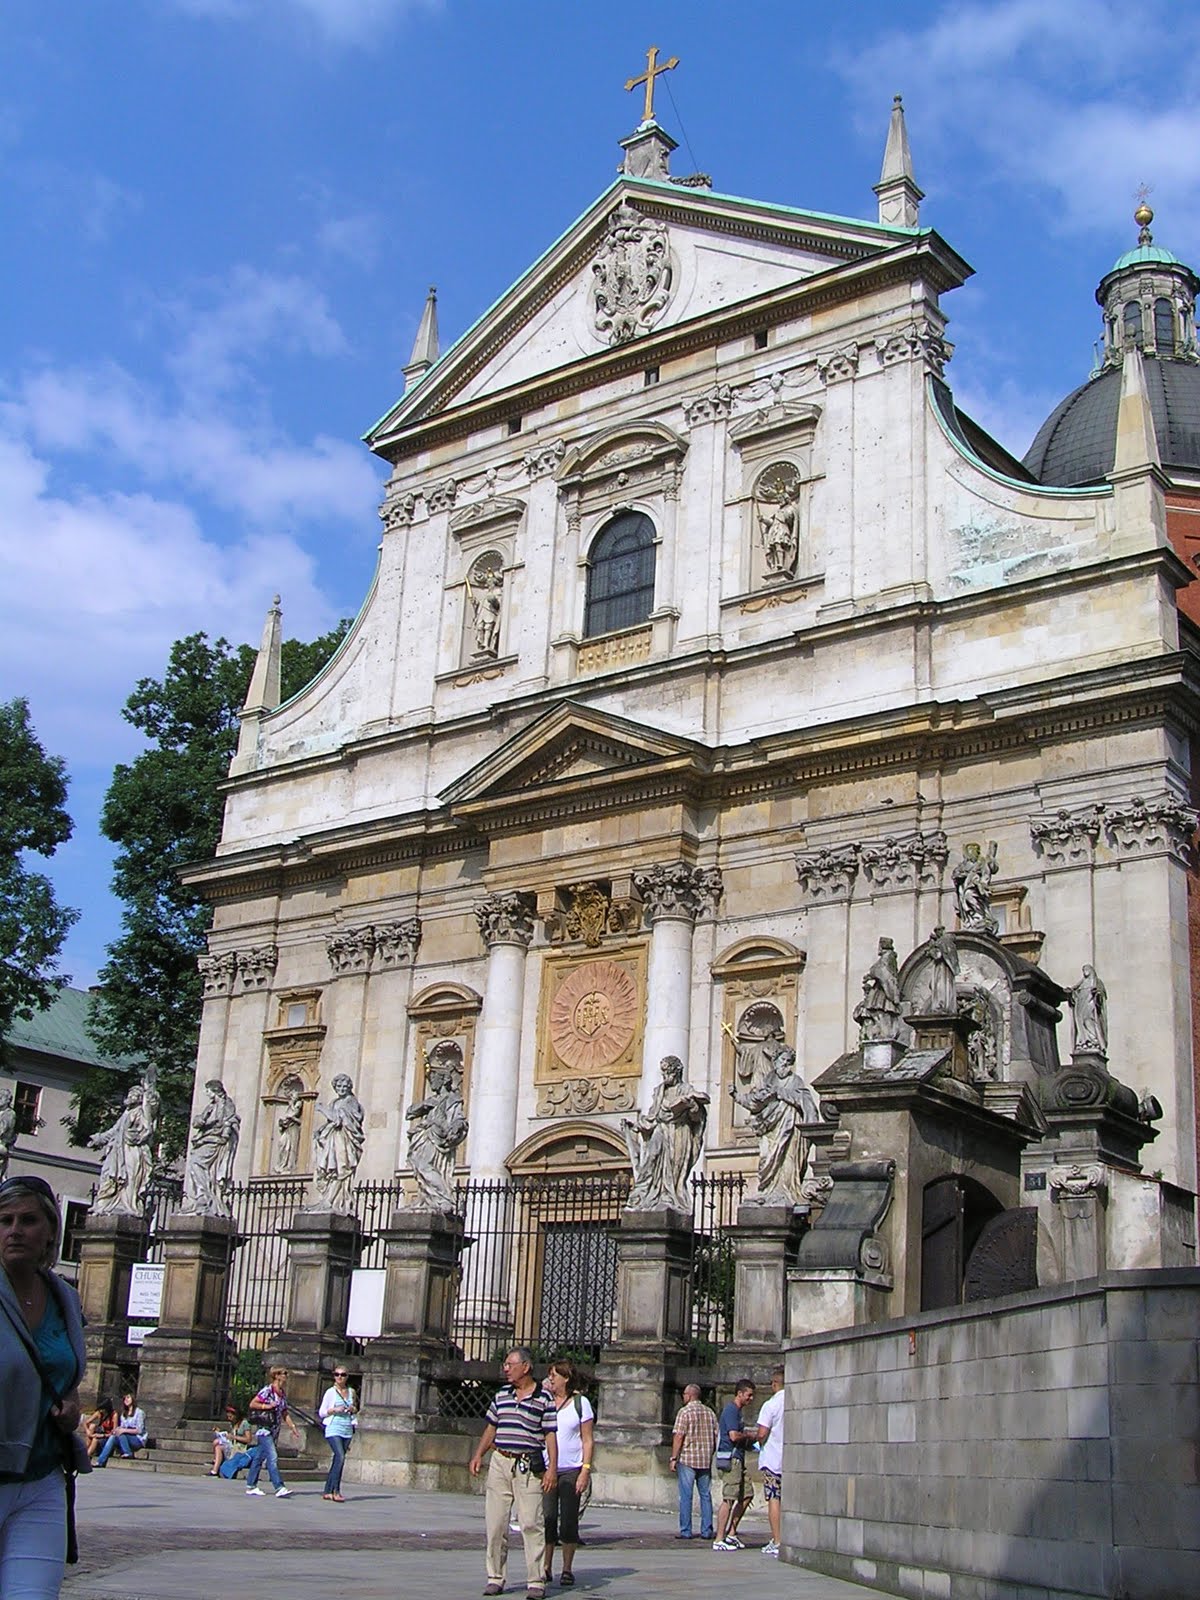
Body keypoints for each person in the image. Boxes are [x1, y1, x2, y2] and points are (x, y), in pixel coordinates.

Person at [0, 1173, 86, 1599]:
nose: (15, 1230)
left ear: (51, 1229)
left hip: (42, 1478)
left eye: (28, 1220)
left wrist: (70, 1403)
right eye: (5, 1220)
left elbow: (63, 1373)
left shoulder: (64, 1298)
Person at [468, 1346, 558, 1600]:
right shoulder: (502, 1394)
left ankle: (536, 1580)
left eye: (510, 1364)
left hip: (528, 1465)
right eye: (506, 1364)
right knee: (495, 1524)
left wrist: (552, 1468)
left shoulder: (544, 1398)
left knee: (531, 1522)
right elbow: (491, 1427)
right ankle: (495, 1576)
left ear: (526, 1367)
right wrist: (478, 1454)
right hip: (501, 1461)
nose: (505, 1368)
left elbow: (550, 1435)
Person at [731, 1047, 820, 1206]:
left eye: (788, 1062)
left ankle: (784, 1191)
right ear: (775, 1061)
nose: (785, 1064)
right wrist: (736, 1095)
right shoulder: (768, 1081)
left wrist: (780, 1093)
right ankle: (767, 1190)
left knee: (787, 1161)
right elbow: (755, 1102)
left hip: (790, 1130)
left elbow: (805, 1101)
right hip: (770, 1128)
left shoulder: (795, 1081)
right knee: (766, 1158)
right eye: (782, 1060)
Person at [622, 1055, 709, 1211]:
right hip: (661, 1130)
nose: (665, 1076)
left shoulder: (687, 1090)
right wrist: (637, 1125)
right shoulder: (659, 1091)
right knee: (651, 1159)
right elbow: (652, 1115)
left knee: (675, 1168)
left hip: (679, 1132)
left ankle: (670, 1198)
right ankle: (645, 1196)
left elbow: (697, 1119)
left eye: (668, 1072)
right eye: (663, 1073)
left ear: (677, 1072)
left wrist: (693, 1108)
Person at [542, 1359, 593, 1587]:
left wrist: (585, 1470)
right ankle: (545, 1566)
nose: (551, 1378)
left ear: (566, 1378)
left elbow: (588, 1440)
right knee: (547, 1518)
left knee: (568, 1522)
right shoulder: (545, 1402)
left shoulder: (581, 1404)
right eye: (549, 1375)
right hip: (547, 1469)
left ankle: (567, 1568)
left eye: (554, 1375)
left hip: (572, 1468)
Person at [181, 1079, 240, 1218]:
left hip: (216, 1140)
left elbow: (230, 1120)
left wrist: (225, 1133)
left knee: (197, 1163)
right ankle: (203, 1196)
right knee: (196, 1164)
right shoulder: (210, 1107)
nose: (206, 1093)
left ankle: (205, 1196)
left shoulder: (227, 1104)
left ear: (215, 1091)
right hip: (206, 1139)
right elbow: (198, 1121)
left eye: (208, 1090)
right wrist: (200, 1121)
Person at [669, 1383, 718, 1541]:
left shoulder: (684, 1412)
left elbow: (678, 1436)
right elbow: (717, 1434)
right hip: (704, 1459)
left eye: (684, 1394)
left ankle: (686, 1530)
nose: (683, 1397)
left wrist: (674, 1457)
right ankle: (707, 1529)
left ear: (690, 1395)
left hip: (688, 1459)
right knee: (705, 1495)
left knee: (686, 1496)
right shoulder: (710, 1413)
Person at [711, 1379, 756, 1551]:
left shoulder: (737, 1412)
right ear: (740, 1393)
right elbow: (733, 1436)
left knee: (747, 1494)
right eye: (749, 1395)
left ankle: (731, 1533)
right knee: (729, 1498)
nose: (751, 1399)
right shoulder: (731, 1410)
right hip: (730, 1459)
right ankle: (719, 1538)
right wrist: (749, 1436)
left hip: (738, 1457)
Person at [310, 1075, 365, 1213]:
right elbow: (331, 1122)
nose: (341, 1089)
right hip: (333, 1139)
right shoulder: (334, 1102)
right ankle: (327, 1200)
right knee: (332, 1171)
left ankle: (331, 1202)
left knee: (342, 1170)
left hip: (344, 1140)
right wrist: (320, 1130)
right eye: (339, 1086)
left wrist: (322, 1109)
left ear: (349, 1087)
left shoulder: (350, 1101)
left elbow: (338, 1120)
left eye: (345, 1086)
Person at [245, 1366, 301, 1499]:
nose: (286, 1376)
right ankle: (279, 1486)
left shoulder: (281, 1393)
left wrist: (292, 1426)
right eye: (284, 1373)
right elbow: (253, 1403)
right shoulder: (268, 1390)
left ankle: (251, 1485)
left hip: (275, 1429)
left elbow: (284, 1412)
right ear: (276, 1375)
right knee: (272, 1457)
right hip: (264, 1429)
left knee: (259, 1457)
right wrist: (267, 1406)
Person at [754, 1365, 786, 1557]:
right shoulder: (795, 1401)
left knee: (774, 1498)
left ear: (774, 1384)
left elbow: (762, 1432)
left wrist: (758, 1440)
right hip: (790, 1459)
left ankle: (777, 1540)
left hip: (773, 1459)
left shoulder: (771, 1405)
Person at [318, 1364, 358, 1502]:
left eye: (342, 1375)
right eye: (337, 1374)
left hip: (346, 1428)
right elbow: (322, 1412)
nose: (339, 1377)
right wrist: (334, 1409)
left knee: (337, 1459)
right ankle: (336, 1490)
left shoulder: (351, 1392)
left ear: (347, 1377)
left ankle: (327, 1491)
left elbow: (354, 1411)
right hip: (333, 1427)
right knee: (340, 1457)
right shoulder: (330, 1392)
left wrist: (352, 1409)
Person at [95, 1391, 146, 1464]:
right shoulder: (124, 1414)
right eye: (124, 1398)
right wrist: (116, 1430)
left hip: (137, 1439)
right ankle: (100, 1461)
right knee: (113, 1436)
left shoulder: (139, 1412)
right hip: (124, 1437)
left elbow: (139, 1430)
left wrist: (123, 1430)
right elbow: (121, 1428)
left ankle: (128, 1452)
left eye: (128, 1397)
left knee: (121, 1434)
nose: (126, 1400)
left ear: (133, 1399)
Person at [207, 1406, 255, 1478]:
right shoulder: (233, 1424)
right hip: (232, 1445)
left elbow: (248, 1439)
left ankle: (215, 1471)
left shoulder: (244, 1423)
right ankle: (216, 1461)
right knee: (216, 1442)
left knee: (218, 1447)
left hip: (240, 1448)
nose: (229, 1418)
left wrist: (234, 1437)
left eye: (230, 1416)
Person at [83, 1396, 116, 1461]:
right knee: (92, 1426)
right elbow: (85, 1422)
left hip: (107, 1437)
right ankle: (85, 1450)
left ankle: (86, 1456)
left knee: (95, 1439)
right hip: (100, 1434)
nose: (101, 1411)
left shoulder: (114, 1415)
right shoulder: (99, 1413)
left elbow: (114, 1432)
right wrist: (88, 1431)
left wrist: (102, 1435)